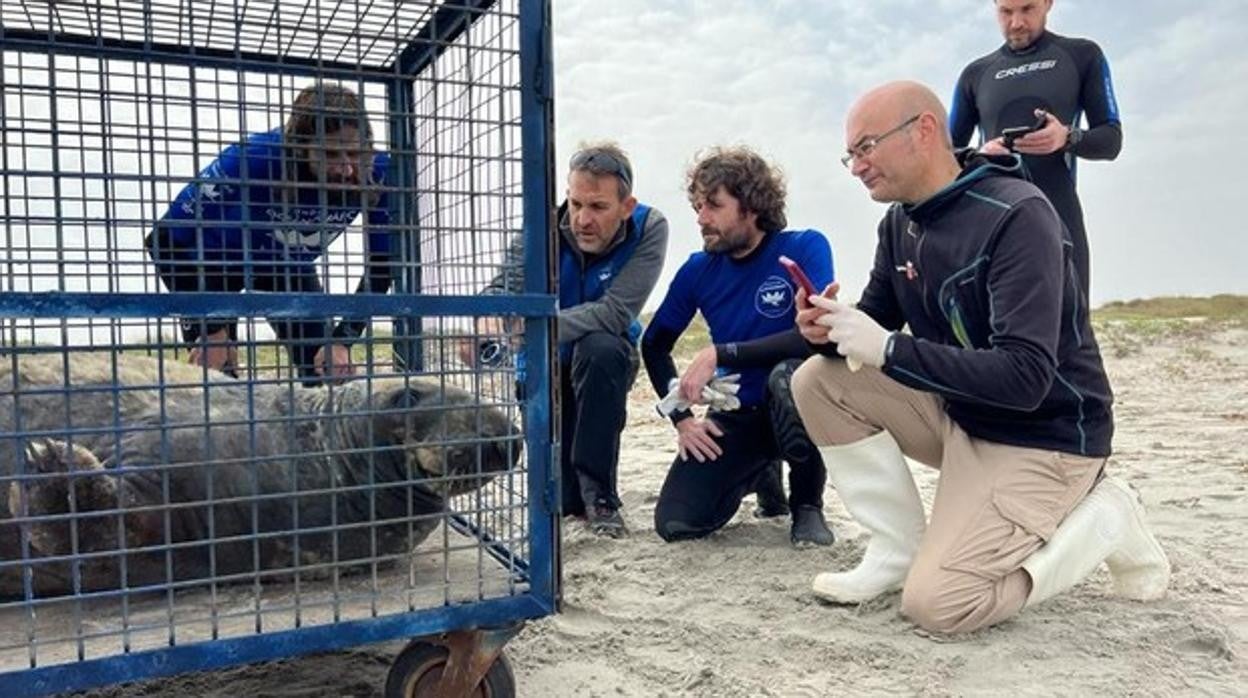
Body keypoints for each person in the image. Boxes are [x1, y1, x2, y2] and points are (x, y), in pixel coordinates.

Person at [788, 81, 1169, 635]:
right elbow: (875, 321)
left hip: (1046, 437)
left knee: (940, 606)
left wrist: (889, 348)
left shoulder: (1018, 215)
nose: (856, 167)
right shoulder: (900, 221)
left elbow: (1027, 378)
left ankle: (1107, 517)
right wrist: (826, 328)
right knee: (818, 380)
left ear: (922, 130)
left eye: (866, 147)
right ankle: (896, 550)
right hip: (965, 417)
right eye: (851, 153)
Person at [466, 142, 669, 538]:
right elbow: (503, 288)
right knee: (561, 502)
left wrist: (531, 326)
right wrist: (490, 317)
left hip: (603, 358)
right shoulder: (539, 227)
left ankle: (602, 496)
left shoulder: (650, 227)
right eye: (575, 204)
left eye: (597, 207)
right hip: (544, 361)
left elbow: (614, 313)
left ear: (627, 207)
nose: (582, 220)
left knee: (601, 346)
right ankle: (575, 492)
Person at [641, 146, 835, 547]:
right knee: (677, 524)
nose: (701, 218)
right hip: (737, 412)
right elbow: (654, 344)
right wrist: (682, 418)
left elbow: (814, 336)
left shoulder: (804, 248)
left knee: (789, 378)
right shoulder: (698, 270)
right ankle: (760, 473)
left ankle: (807, 505)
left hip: (797, 400)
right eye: (697, 206)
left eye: (713, 205)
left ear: (751, 205)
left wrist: (720, 354)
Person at [147, 82, 393, 382]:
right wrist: (212, 328)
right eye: (329, 154)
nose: (346, 170)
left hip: (287, 269)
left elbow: (383, 264)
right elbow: (162, 241)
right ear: (300, 148)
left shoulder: (377, 170)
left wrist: (343, 340)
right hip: (214, 266)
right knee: (215, 383)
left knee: (326, 372)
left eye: (355, 153)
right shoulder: (254, 157)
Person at [949, 0, 1122, 298]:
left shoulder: (1082, 55)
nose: (1016, 22)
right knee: (992, 335)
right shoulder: (975, 74)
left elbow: (1111, 139)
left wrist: (1066, 137)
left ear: (1047, 3)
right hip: (989, 225)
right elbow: (946, 155)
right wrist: (980, 156)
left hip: (1059, 220)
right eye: (1006, 12)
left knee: (1069, 336)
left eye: (1027, 9)